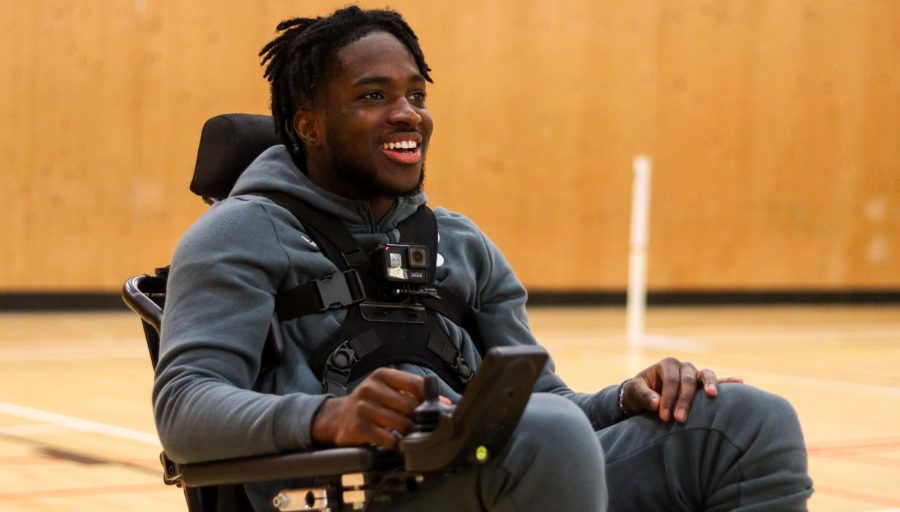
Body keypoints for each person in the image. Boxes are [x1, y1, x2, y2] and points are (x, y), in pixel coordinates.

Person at [153, 6, 813, 511]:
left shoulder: (459, 242)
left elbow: (546, 403)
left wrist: (623, 400)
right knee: (548, 437)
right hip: (339, 489)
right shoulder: (236, 234)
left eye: (416, 95)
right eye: (373, 96)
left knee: (750, 420)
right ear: (309, 126)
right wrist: (328, 416)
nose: (407, 114)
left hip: (484, 473)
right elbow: (184, 408)